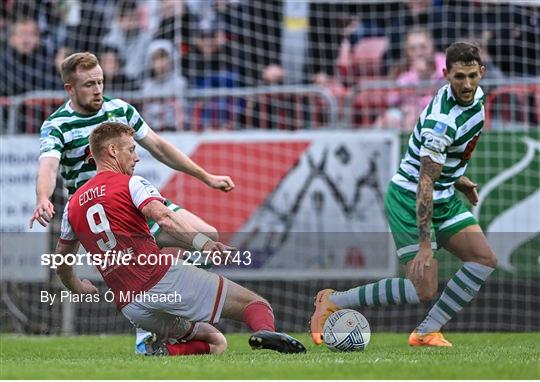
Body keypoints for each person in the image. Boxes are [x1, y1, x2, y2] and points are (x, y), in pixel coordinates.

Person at [29, 51, 234, 354]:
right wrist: (42, 197)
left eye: (100, 81)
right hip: (106, 216)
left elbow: (160, 146)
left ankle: (166, 311)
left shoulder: (120, 109)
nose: (97, 89)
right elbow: (48, 164)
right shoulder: (57, 124)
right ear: (70, 88)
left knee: (209, 236)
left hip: (136, 200)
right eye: (88, 84)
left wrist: (206, 177)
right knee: (146, 269)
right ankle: (150, 326)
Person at [55, 122, 306, 355]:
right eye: (131, 149)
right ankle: (267, 332)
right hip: (162, 279)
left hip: (131, 306)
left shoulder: (72, 205)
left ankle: (163, 351)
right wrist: (205, 244)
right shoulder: (130, 184)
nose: (137, 156)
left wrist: (77, 287)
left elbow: (61, 262)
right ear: (112, 151)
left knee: (216, 341)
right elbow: (164, 217)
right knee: (256, 305)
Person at [310, 42, 498, 347]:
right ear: (445, 73)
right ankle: (334, 300)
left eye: (472, 76)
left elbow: (444, 162)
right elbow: (425, 182)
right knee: (422, 289)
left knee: (483, 259)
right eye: (459, 77)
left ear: (482, 73)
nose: (466, 84)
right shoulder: (442, 122)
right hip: (411, 198)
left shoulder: (476, 97)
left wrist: (457, 178)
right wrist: (426, 245)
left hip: (444, 193)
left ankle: (425, 332)